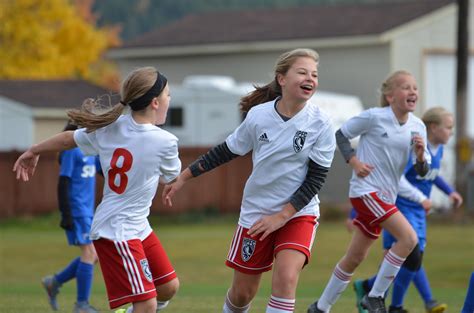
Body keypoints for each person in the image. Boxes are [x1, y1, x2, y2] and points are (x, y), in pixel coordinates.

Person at [163, 48, 336, 313]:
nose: (310, 78)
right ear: (282, 78)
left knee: (286, 278)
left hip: (298, 213)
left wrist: (282, 216)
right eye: (302, 72)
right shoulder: (259, 116)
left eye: (314, 74)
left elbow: (316, 179)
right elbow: (225, 151)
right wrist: (184, 177)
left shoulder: (321, 122)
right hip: (256, 212)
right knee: (243, 294)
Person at [14, 66, 181, 313]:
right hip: (118, 229)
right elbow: (172, 175)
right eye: (168, 95)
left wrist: (34, 150)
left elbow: (68, 138)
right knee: (146, 303)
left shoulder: (110, 128)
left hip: (138, 226)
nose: (170, 100)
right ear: (155, 102)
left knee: (169, 287)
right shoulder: (165, 142)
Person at [307, 70, 431, 313]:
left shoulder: (418, 127)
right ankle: (375, 297)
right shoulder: (374, 117)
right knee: (409, 239)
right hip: (365, 192)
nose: (413, 92)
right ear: (390, 95)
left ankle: (320, 308)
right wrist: (354, 162)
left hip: (385, 197)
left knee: (354, 258)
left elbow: (423, 170)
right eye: (406, 87)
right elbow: (340, 135)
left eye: (415, 88)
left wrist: (419, 157)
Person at [352, 107, 463, 313]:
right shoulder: (415, 148)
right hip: (401, 208)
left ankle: (371, 289)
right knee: (411, 257)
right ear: (433, 127)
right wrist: (421, 198)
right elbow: (396, 177)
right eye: (448, 127)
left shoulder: (436, 151)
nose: (451, 132)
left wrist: (450, 191)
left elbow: (433, 174)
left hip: (419, 213)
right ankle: (398, 305)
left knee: (407, 260)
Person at [41, 121, 100, 313]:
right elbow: (63, 182)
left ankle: (54, 281)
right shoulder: (71, 151)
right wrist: (66, 213)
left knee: (94, 256)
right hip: (76, 210)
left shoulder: (91, 151)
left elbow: (107, 168)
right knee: (89, 254)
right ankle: (81, 305)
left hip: (88, 212)